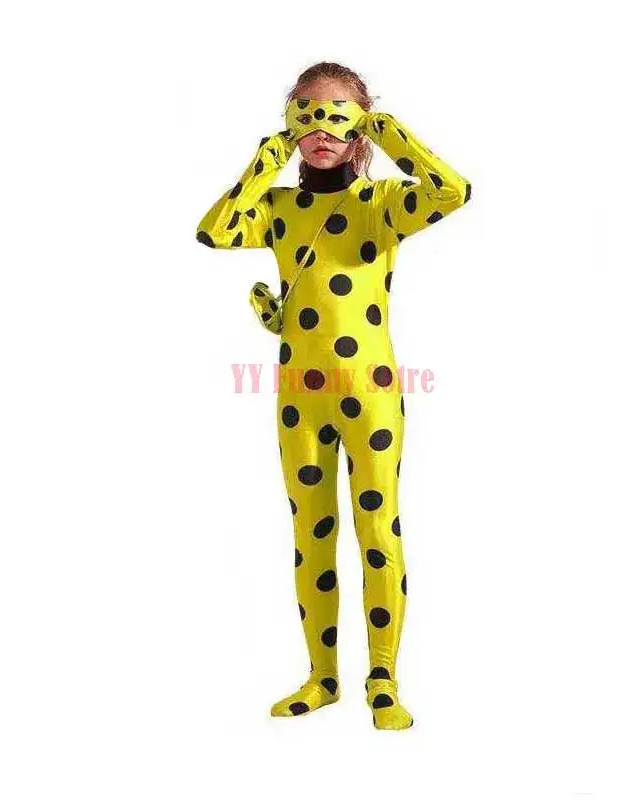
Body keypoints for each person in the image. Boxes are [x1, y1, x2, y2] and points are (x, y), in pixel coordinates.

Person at [195, 61, 471, 730]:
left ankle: (384, 680)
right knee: (311, 536)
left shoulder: (381, 204)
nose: (322, 128)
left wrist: (386, 131)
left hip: (370, 393)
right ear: (290, 123)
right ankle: (322, 678)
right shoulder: (278, 210)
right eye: (307, 114)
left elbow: (452, 190)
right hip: (299, 397)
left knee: (378, 531)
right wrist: (267, 158)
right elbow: (215, 231)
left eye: (338, 115)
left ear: (359, 128)